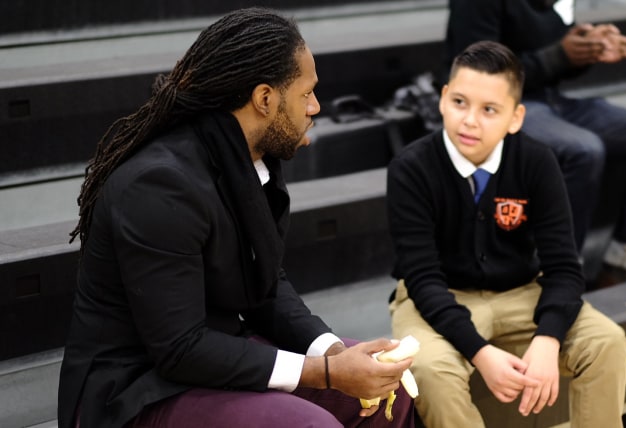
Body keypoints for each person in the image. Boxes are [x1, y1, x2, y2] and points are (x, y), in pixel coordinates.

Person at [59, 7, 415, 428]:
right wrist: (327, 375)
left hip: (213, 358)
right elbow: (179, 348)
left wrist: (332, 352)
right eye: (306, 94)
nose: (316, 106)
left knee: (391, 391)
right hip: (135, 390)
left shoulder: (248, 159)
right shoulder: (158, 185)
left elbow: (266, 287)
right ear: (265, 99)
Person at [386, 40, 626, 428]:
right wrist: (481, 353)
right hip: (437, 297)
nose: (469, 120)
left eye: (489, 110)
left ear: (515, 118)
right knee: (431, 371)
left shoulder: (536, 161)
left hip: (521, 293)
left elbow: (565, 267)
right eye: (461, 102)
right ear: (443, 98)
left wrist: (549, 338)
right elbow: (421, 278)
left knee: (607, 342)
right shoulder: (410, 168)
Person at [444, 0, 626, 288]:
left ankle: (623, 266)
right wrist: (557, 56)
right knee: (582, 149)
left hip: (551, 101)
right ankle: (557, 281)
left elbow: (555, 59)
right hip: (495, 109)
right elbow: (478, 75)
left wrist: (588, 48)